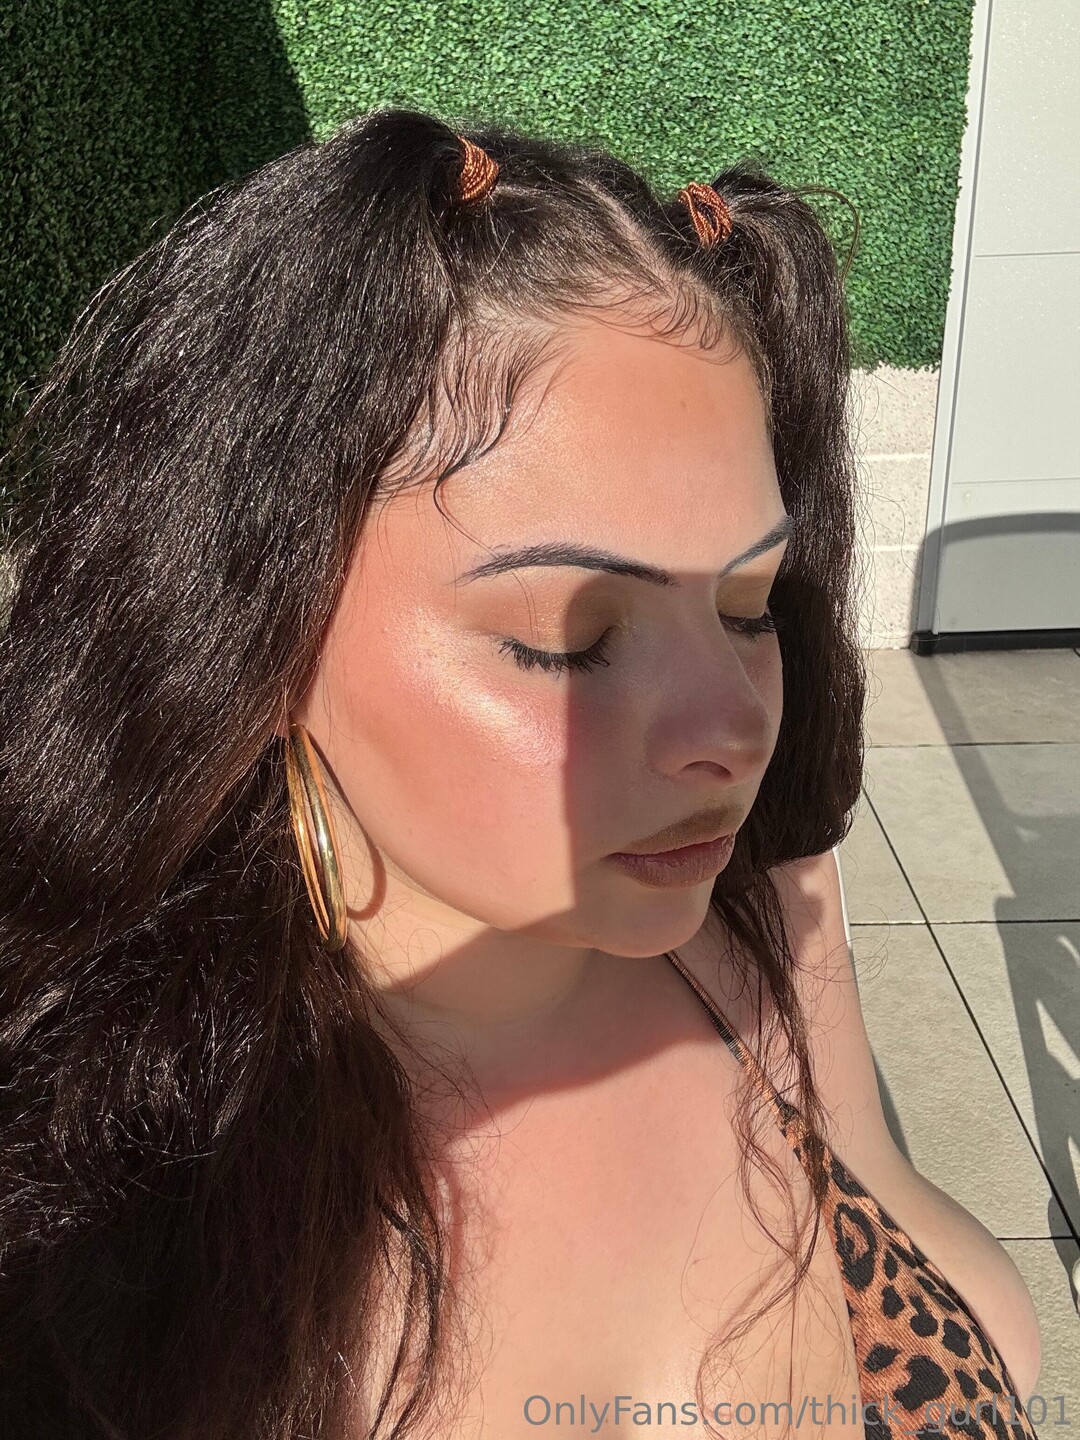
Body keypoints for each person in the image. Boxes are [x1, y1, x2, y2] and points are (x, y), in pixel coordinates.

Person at [0, 106, 1042, 1440]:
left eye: (748, 608)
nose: (731, 726)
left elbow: (921, 1247)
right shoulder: (106, 1196)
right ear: (249, 638)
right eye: (567, 639)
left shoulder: (756, 929)